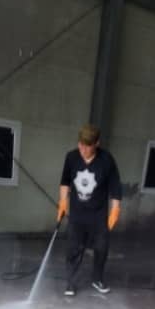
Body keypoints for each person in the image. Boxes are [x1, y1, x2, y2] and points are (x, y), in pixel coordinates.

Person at [57, 123, 122, 296]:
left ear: (97, 144)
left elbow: (115, 187)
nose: (83, 149)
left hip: (98, 215)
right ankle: (70, 283)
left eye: (87, 146)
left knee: (101, 248)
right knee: (73, 248)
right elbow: (65, 182)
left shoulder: (106, 160)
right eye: (81, 144)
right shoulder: (71, 157)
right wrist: (63, 201)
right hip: (77, 215)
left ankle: (97, 279)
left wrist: (115, 209)